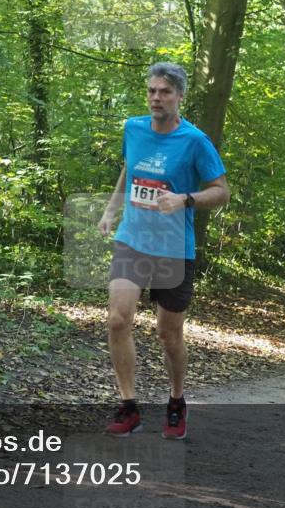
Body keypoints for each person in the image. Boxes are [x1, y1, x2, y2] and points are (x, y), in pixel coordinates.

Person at [97, 62, 229, 440]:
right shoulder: (133, 128)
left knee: (168, 335)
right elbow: (129, 168)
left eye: (165, 92)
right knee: (118, 319)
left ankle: (176, 400)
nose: (157, 97)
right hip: (132, 239)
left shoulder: (195, 141)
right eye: (152, 91)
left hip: (174, 248)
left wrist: (185, 199)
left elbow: (221, 191)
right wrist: (111, 210)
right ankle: (129, 406)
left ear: (180, 97)